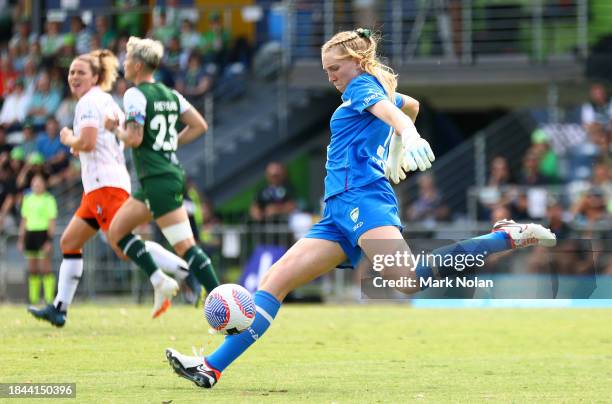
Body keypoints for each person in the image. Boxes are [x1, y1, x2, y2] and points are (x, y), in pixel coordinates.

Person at [165, 28, 558, 388]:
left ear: (357, 62)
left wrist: (405, 134)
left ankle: (503, 236)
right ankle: (211, 368)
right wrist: (395, 151)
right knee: (274, 282)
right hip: (337, 211)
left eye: (335, 68)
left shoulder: (361, 85)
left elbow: (396, 114)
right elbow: (411, 104)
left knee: (407, 281)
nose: (331, 77)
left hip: (364, 200)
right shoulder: (372, 88)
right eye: (326, 70)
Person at [28, 49, 190, 327]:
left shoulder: (89, 103)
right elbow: (101, 142)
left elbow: (88, 142)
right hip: (100, 185)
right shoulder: (106, 101)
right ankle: (59, 308)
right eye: (71, 72)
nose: (74, 76)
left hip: (105, 185)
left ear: (95, 77)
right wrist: (82, 145)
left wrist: (69, 138)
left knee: (121, 243)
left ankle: (184, 271)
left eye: (81, 72)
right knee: (70, 242)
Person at [103, 37, 220, 317]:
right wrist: (168, 144)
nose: (124, 64)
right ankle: (180, 286)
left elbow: (133, 138)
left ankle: (215, 299)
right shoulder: (170, 94)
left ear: (139, 64)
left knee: (119, 235)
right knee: (181, 245)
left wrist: (113, 129)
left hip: (156, 179)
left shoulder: (135, 94)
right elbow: (199, 125)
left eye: (128, 59)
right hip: (167, 176)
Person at [18, 174, 57, 305]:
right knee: (32, 268)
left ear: (44, 185)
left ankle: (49, 298)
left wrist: (49, 240)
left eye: (39, 183)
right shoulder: (28, 199)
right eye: (34, 184)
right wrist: (21, 239)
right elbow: (24, 220)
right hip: (30, 234)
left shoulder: (49, 199)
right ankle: (33, 299)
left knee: (45, 268)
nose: (37, 186)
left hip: (43, 234)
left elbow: (52, 221)